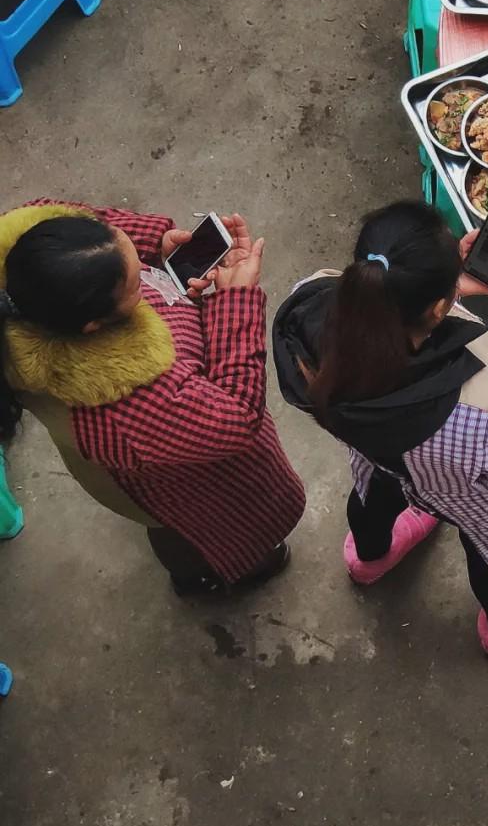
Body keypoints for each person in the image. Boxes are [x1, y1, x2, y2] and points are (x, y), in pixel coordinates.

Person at [273, 201, 488, 659]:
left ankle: (370, 556)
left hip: (382, 455)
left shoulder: (306, 305)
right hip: (462, 484)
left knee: (374, 495)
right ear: (436, 308)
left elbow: (381, 317)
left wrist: (445, 293)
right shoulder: (484, 406)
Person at [0, 202, 305, 595]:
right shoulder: (129, 398)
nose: (148, 277)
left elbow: (65, 217)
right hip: (161, 483)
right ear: (93, 327)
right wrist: (235, 300)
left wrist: (153, 243)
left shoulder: (32, 268)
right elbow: (236, 417)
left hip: (134, 457)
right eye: (134, 284)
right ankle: (199, 577)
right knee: (183, 526)